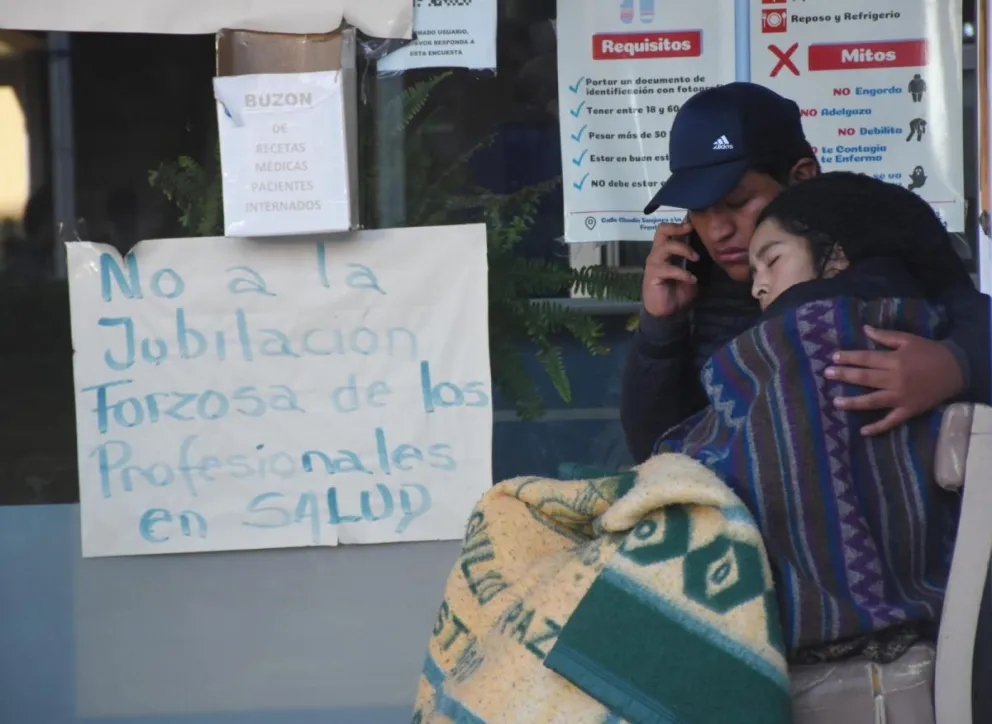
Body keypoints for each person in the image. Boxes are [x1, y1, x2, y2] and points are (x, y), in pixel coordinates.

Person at [657, 171, 962, 661]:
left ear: (836, 255)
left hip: (826, 636)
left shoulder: (806, 341)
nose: (759, 288)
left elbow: (741, 471)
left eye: (772, 260)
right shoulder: (938, 325)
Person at [621, 82, 990, 463]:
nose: (717, 231)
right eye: (697, 209)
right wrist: (660, 330)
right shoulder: (692, 280)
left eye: (738, 202)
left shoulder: (878, 232)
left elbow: (971, 314)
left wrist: (955, 365)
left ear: (802, 175)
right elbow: (655, 454)